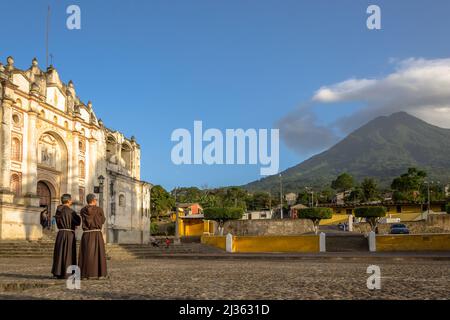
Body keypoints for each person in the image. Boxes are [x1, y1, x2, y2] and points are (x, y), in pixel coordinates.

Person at [51, 194, 81, 279]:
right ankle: (68, 272)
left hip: (60, 233)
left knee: (60, 253)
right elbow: (78, 222)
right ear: (68, 201)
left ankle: (58, 272)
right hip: (69, 234)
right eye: (71, 200)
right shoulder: (71, 211)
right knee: (68, 253)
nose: (71, 201)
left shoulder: (58, 210)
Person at [78, 193, 107, 279]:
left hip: (86, 234)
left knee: (86, 253)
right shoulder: (99, 210)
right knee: (99, 253)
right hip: (96, 233)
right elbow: (102, 220)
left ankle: (84, 274)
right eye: (96, 200)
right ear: (94, 200)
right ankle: (100, 273)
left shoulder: (83, 210)